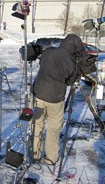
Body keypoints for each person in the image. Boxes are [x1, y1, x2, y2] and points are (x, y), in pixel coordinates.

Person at [31, 34, 83, 165]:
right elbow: (70, 81)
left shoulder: (48, 52)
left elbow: (42, 64)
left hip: (39, 93)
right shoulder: (71, 62)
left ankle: (35, 154)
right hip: (55, 98)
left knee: (37, 125)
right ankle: (51, 158)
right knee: (54, 129)